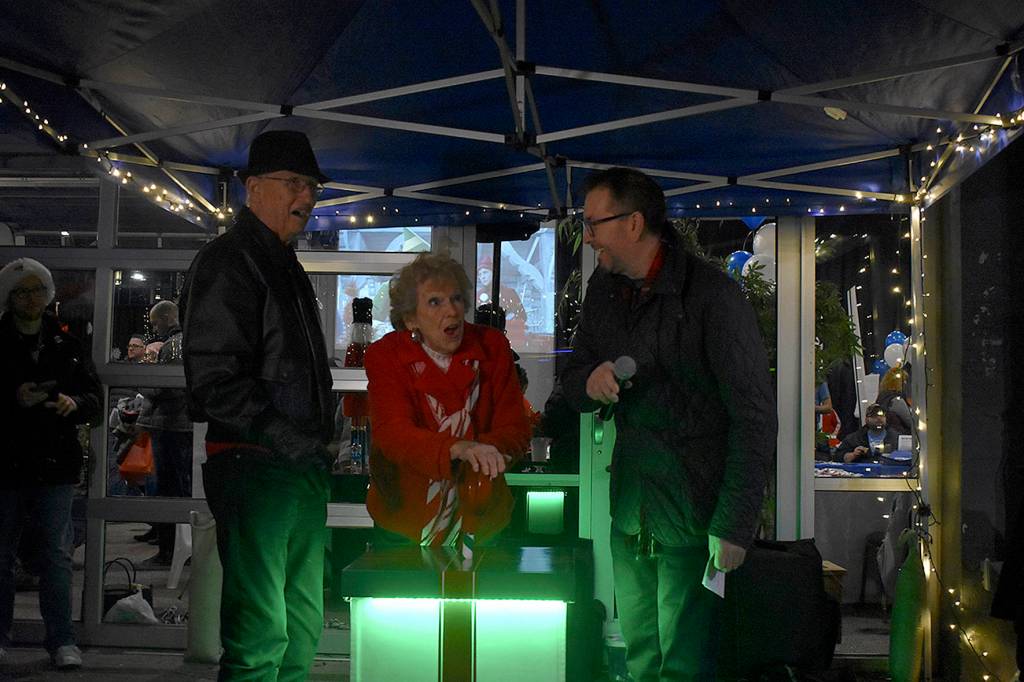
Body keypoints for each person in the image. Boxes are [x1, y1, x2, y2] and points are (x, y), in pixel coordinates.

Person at [562, 167, 777, 681]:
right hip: (632, 512)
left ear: (634, 223)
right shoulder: (604, 289)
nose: (587, 236)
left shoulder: (712, 297)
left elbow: (754, 416)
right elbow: (573, 376)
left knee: (684, 666)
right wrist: (589, 379)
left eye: (594, 224)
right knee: (640, 660)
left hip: (694, 518)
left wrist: (733, 524)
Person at [180, 130, 335, 681]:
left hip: (282, 462)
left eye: (311, 185)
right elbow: (213, 377)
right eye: (294, 182)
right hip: (256, 463)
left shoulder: (274, 260)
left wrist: (308, 439)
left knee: (295, 623)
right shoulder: (232, 260)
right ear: (253, 189)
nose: (308, 196)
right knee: (264, 628)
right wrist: (284, 433)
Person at [363, 253, 530, 549]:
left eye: (456, 299)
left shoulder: (492, 347)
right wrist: (456, 448)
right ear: (410, 318)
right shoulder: (385, 355)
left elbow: (515, 428)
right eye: (435, 302)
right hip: (404, 521)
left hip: (481, 518)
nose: (452, 311)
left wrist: (488, 453)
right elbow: (393, 434)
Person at [0, 258, 100, 670]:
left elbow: (93, 398)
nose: (31, 298)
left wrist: (74, 404)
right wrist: (13, 399)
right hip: (5, 463)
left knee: (56, 557)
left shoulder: (67, 345)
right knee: (1, 555)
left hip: (54, 464)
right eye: (22, 291)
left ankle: (61, 640)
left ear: (48, 294)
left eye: (37, 290)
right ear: (9, 296)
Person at [137, 301, 193, 567]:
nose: (155, 328)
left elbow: (167, 388)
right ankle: (172, 547)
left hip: (171, 426)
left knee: (169, 489)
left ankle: (169, 552)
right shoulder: (185, 342)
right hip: (177, 425)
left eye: (156, 322)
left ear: (168, 318)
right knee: (175, 486)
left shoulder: (174, 346)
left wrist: (144, 381)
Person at [834, 403, 901, 463]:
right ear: (866, 419)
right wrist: (853, 455)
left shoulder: (896, 437)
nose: (879, 418)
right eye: (874, 415)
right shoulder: (854, 439)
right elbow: (838, 457)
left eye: (882, 415)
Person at [875, 367, 913, 435]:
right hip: (900, 436)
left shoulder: (881, 397)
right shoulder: (896, 400)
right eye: (904, 381)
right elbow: (911, 422)